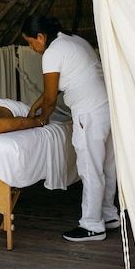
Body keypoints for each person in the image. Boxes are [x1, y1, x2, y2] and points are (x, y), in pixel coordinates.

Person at [22, 13, 119, 242]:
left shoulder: (52, 53)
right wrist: (36, 106)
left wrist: (41, 118)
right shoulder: (74, 41)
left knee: (90, 167)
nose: (31, 48)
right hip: (108, 107)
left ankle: (92, 225)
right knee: (108, 166)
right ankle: (108, 214)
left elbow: (50, 98)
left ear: (40, 36)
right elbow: (52, 91)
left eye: (30, 42)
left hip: (89, 113)